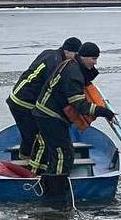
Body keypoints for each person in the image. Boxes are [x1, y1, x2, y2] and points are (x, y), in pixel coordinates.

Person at [29, 41, 115, 186]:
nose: (95, 63)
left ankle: (47, 181)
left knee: (58, 151)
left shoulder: (71, 65)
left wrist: (90, 70)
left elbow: (84, 80)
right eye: (93, 59)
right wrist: (104, 112)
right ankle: (56, 190)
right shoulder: (73, 73)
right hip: (50, 115)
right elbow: (79, 105)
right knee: (64, 154)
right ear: (83, 57)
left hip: (46, 113)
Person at [7, 37, 81, 160]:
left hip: (17, 94)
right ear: (67, 51)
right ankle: (29, 164)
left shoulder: (49, 53)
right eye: (76, 55)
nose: (76, 59)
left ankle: (25, 157)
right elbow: (52, 90)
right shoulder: (56, 65)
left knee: (29, 135)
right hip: (24, 102)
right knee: (38, 136)